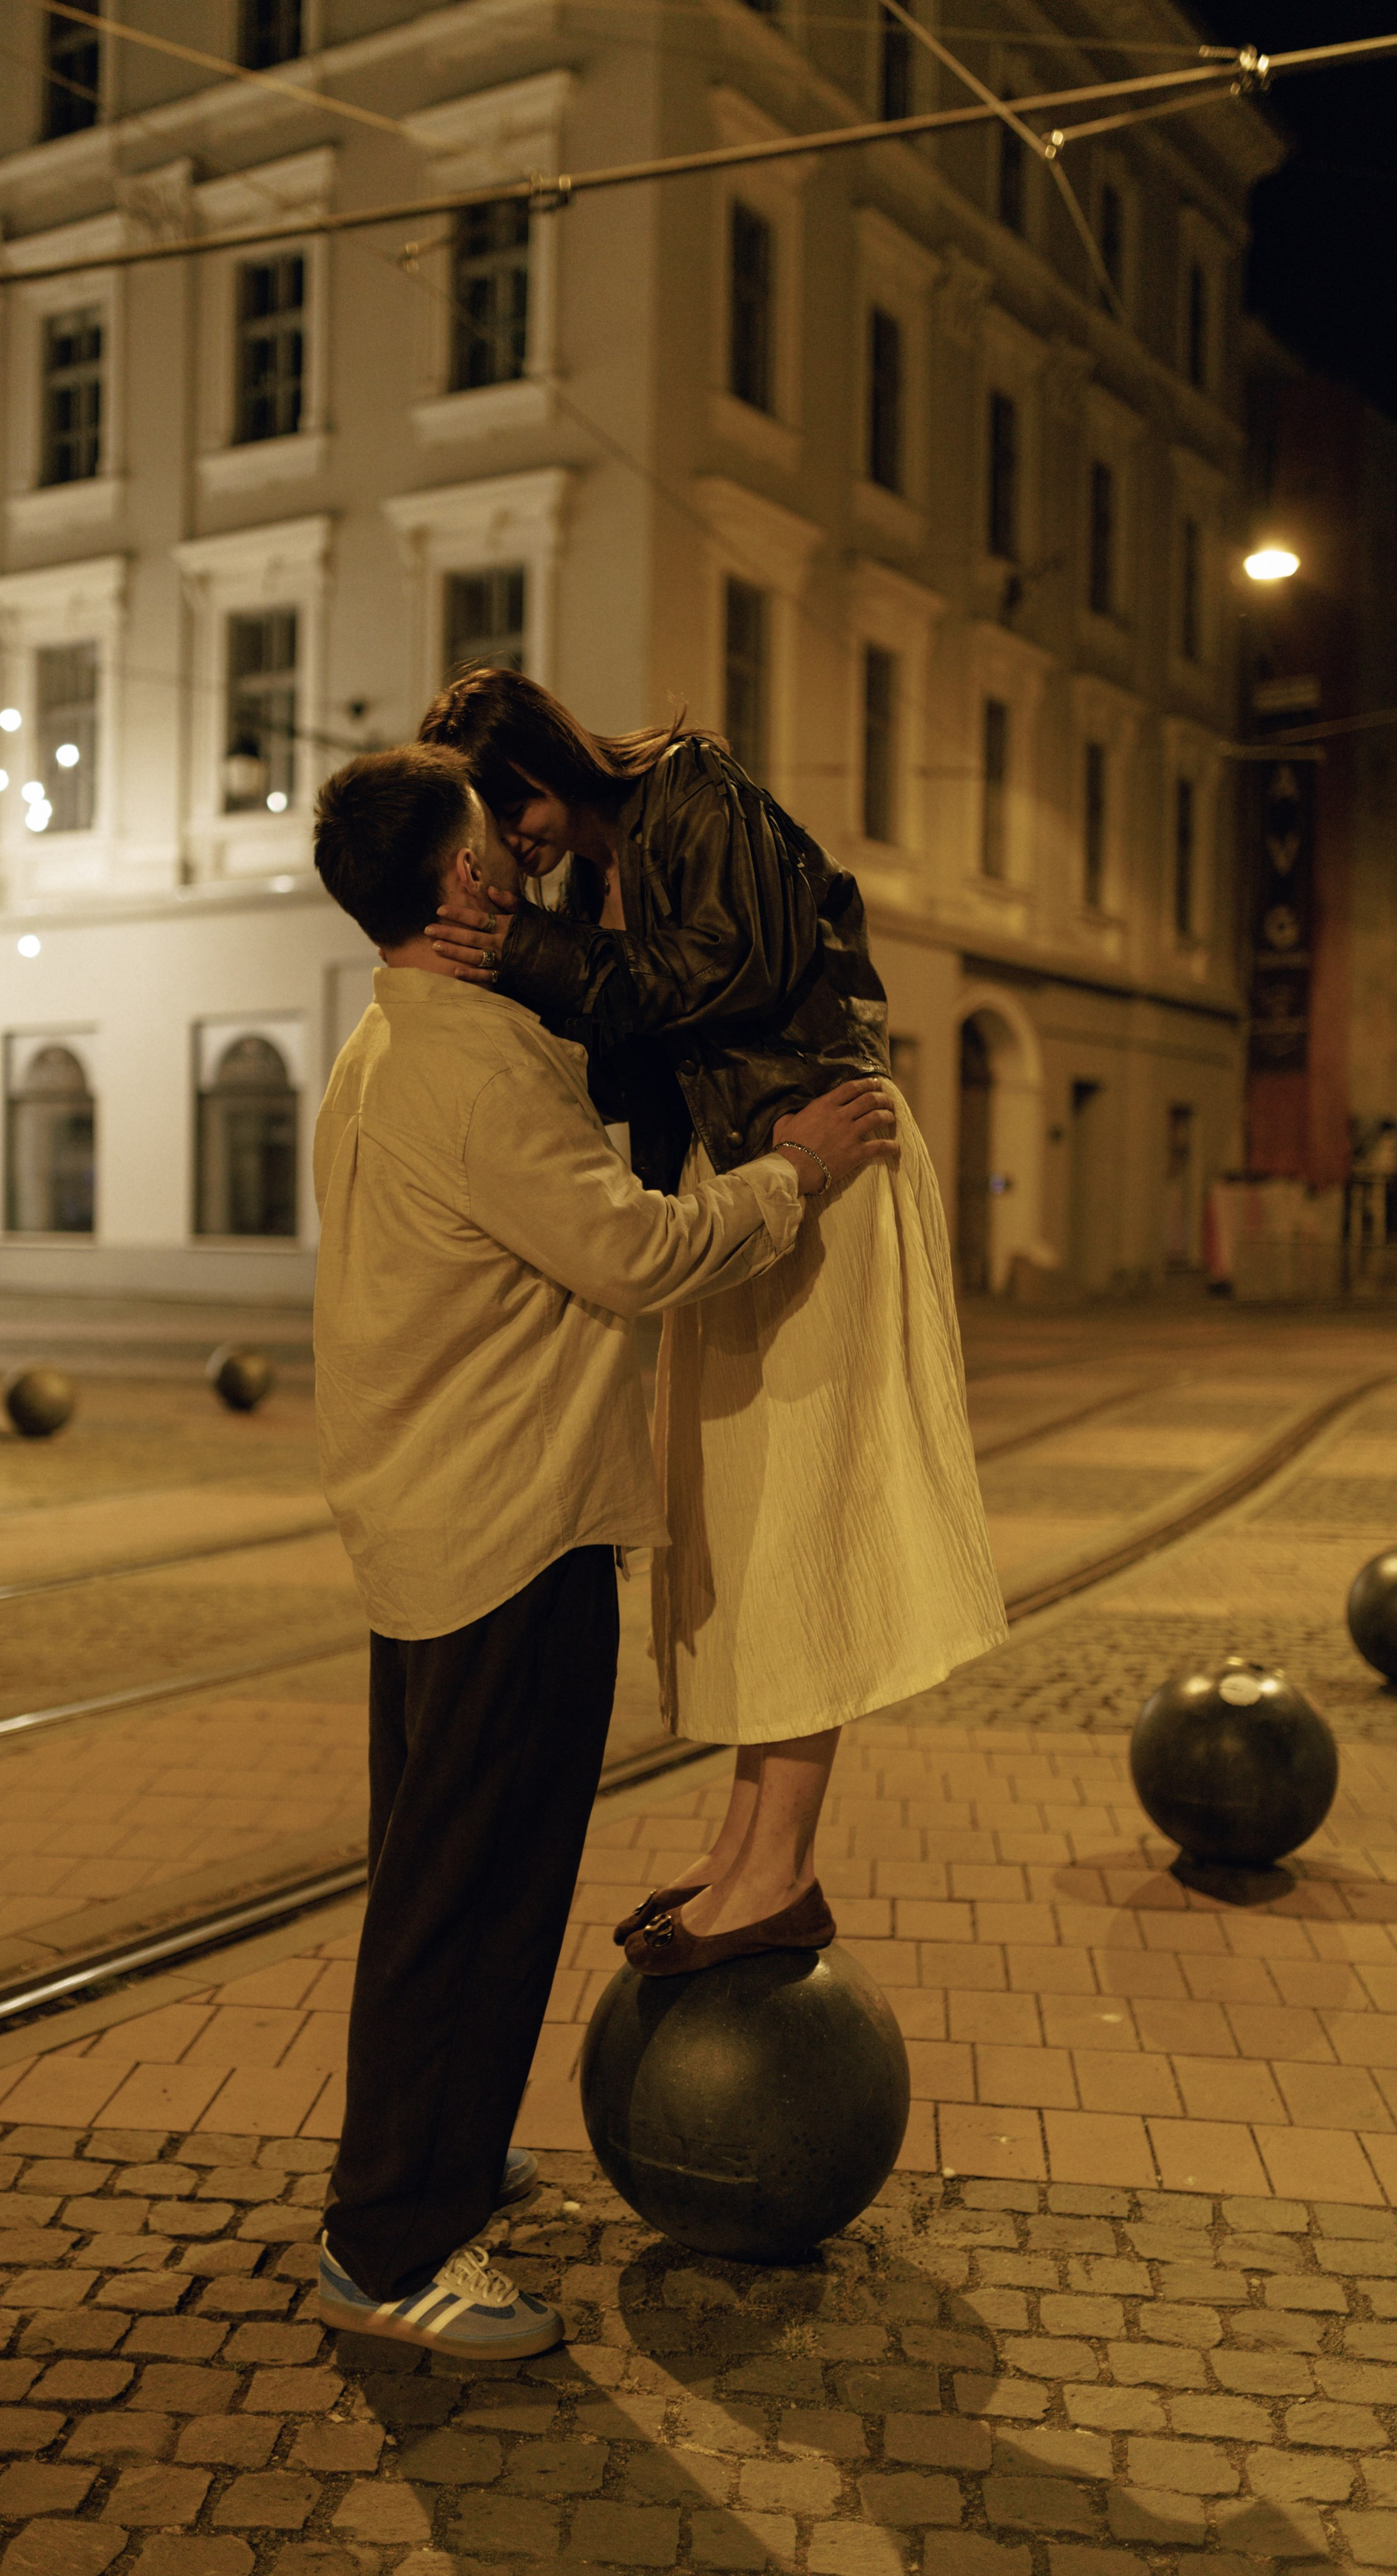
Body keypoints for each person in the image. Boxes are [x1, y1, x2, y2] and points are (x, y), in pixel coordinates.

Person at [308, 741, 899, 2360]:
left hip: (433, 1520)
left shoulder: (389, 1043)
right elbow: (636, 1255)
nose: (514, 850)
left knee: (444, 1876)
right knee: (471, 1896)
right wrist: (797, 1173)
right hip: (507, 1531)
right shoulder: (474, 1071)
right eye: (485, 842)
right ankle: (390, 2247)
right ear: (459, 891)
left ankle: (430, 2158)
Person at [418, 672, 1006, 1978]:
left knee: (798, 1511)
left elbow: (727, 967)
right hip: (752, 1181)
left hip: (821, 1169)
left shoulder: (693, 794)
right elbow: (638, 1038)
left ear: (538, 765)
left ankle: (780, 1864)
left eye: (499, 805)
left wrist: (520, 949)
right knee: (739, 1521)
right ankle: (747, 1839)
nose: (503, 840)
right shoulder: (602, 870)